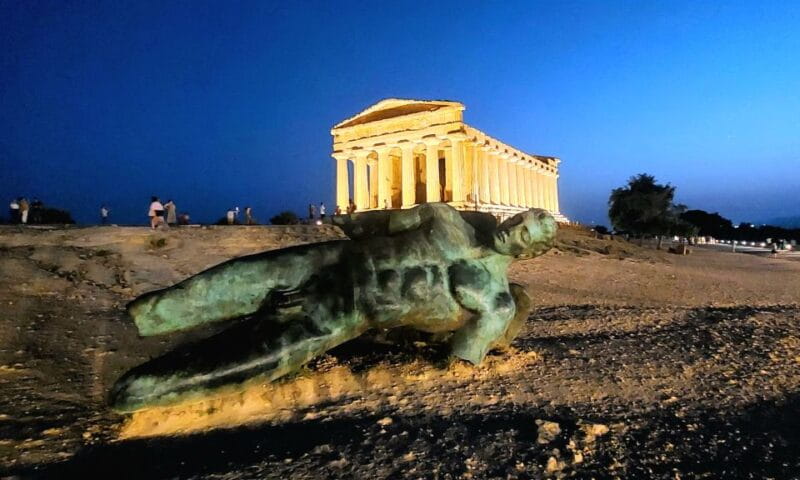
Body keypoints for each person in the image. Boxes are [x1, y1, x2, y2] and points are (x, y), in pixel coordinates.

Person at [111, 204, 557, 411]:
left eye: (525, 234)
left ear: (532, 254)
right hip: (324, 261)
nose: (513, 229)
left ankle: (136, 388)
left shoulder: (496, 303)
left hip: (349, 310)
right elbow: (380, 223)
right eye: (518, 220)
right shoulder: (445, 217)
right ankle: (134, 321)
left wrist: (498, 334)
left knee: (249, 358)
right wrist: (354, 222)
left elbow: (460, 360)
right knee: (206, 289)